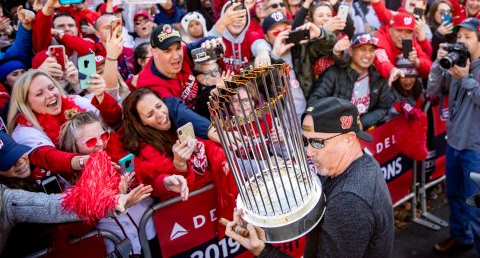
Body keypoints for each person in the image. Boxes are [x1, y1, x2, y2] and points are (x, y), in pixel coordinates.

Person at [225, 97, 394, 258]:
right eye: (306, 141)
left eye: (318, 142)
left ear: (349, 139)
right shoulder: (361, 161)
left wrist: (262, 251)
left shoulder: (349, 200)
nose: (309, 151)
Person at [0, 131, 152, 256]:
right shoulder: (9, 198)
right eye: (8, 162)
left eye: (17, 153)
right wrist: (113, 201)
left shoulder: (34, 175)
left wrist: (115, 197)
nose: (19, 162)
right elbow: (56, 207)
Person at [122, 88, 237, 222]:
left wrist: (219, 153)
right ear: (142, 122)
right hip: (191, 218)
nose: (160, 114)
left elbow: (209, 149)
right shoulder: (145, 150)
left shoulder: (181, 124)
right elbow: (157, 182)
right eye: (149, 114)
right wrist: (179, 165)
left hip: (219, 203)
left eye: (159, 106)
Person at [427, 18, 480, 254]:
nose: (462, 41)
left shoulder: (469, 70)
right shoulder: (458, 62)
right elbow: (432, 91)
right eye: (459, 37)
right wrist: (438, 65)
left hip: (476, 150)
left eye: (468, 37)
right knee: (455, 196)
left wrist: (465, 78)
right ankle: (462, 237)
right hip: (454, 144)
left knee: (476, 209)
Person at [308, 33, 393, 129]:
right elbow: (314, 101)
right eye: (363, 49)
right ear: (351, 51)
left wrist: (362, 123)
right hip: (335, 131)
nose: (368, 55)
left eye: (371, 50)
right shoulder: (334, 73)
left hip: (365, 132)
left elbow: (383, 107)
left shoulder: (379, 77)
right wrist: (338, 122)